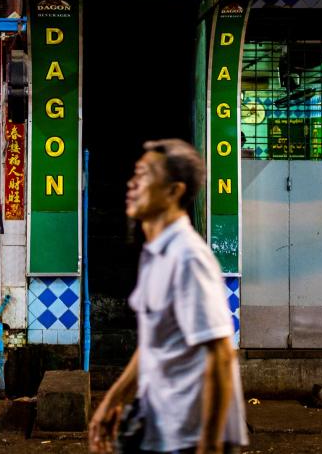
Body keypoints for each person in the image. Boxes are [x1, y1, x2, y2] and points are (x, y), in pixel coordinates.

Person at [89, 139, 248, 454]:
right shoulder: (156, 253)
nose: (132, 183)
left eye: (145, 175)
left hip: (192, 436)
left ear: (174, 191)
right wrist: (113, 400)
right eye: (135, 173)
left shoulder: (188, 257)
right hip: (162, 426)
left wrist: (210, 446)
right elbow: (153, 343)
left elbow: (220, 355)